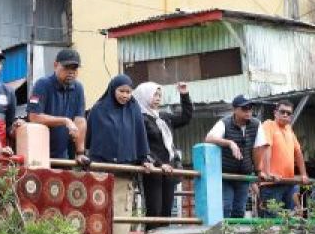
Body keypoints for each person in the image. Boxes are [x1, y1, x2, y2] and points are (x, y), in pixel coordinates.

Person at [134, 80, 193, 217]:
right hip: (152, 170)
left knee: (166, 212)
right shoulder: (139, 119)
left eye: (159, 95)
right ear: (144, 96)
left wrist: (184, 95)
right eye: (154, 95)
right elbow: (142, 146)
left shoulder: (163, 117)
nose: (158, 98)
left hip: (169, 170)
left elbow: (185, 118)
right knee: (154, 211)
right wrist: (159, 164)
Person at [204, 95, 259, 218]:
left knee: (239, 210)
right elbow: (209, 138)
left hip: (244, 176)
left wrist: (255, 175)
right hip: (226, 175)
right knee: (226, 207)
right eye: (244, 108)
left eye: (250, 108)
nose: (248, 111)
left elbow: (258, 149)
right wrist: (230, 143)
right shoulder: (224, 122)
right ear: (235, 109)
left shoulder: (256, 124)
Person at [28, 48, 87, 161]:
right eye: (66, 67)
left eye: (74, 68)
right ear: (55, 65)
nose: (71, 72)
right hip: (41, 154)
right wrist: (65, 120)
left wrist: (80, 152)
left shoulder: (78, 88)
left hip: (65, 156)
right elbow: (34, 117)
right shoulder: (42, 85)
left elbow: (80, 120)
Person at [86, 75, 153, 172]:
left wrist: (144, 159)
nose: (125, 95)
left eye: (128, 92)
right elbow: (89, 137)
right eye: (121, 91)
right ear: (113, 89)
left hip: (127, 167)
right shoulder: (98, 109)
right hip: (101, 166)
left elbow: (140, 135)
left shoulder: (134, 109)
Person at [254, 99, 307, 216]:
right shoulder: (268, 125)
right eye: (282, 111)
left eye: (288, 113)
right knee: (271, 222)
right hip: (272, 184)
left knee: (291, 219)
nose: (285, 115)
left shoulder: (289, 129)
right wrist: (268, 173)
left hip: (289, 182)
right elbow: (267, 147)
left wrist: (304, 174)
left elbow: (298, 152)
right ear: (275, 113)